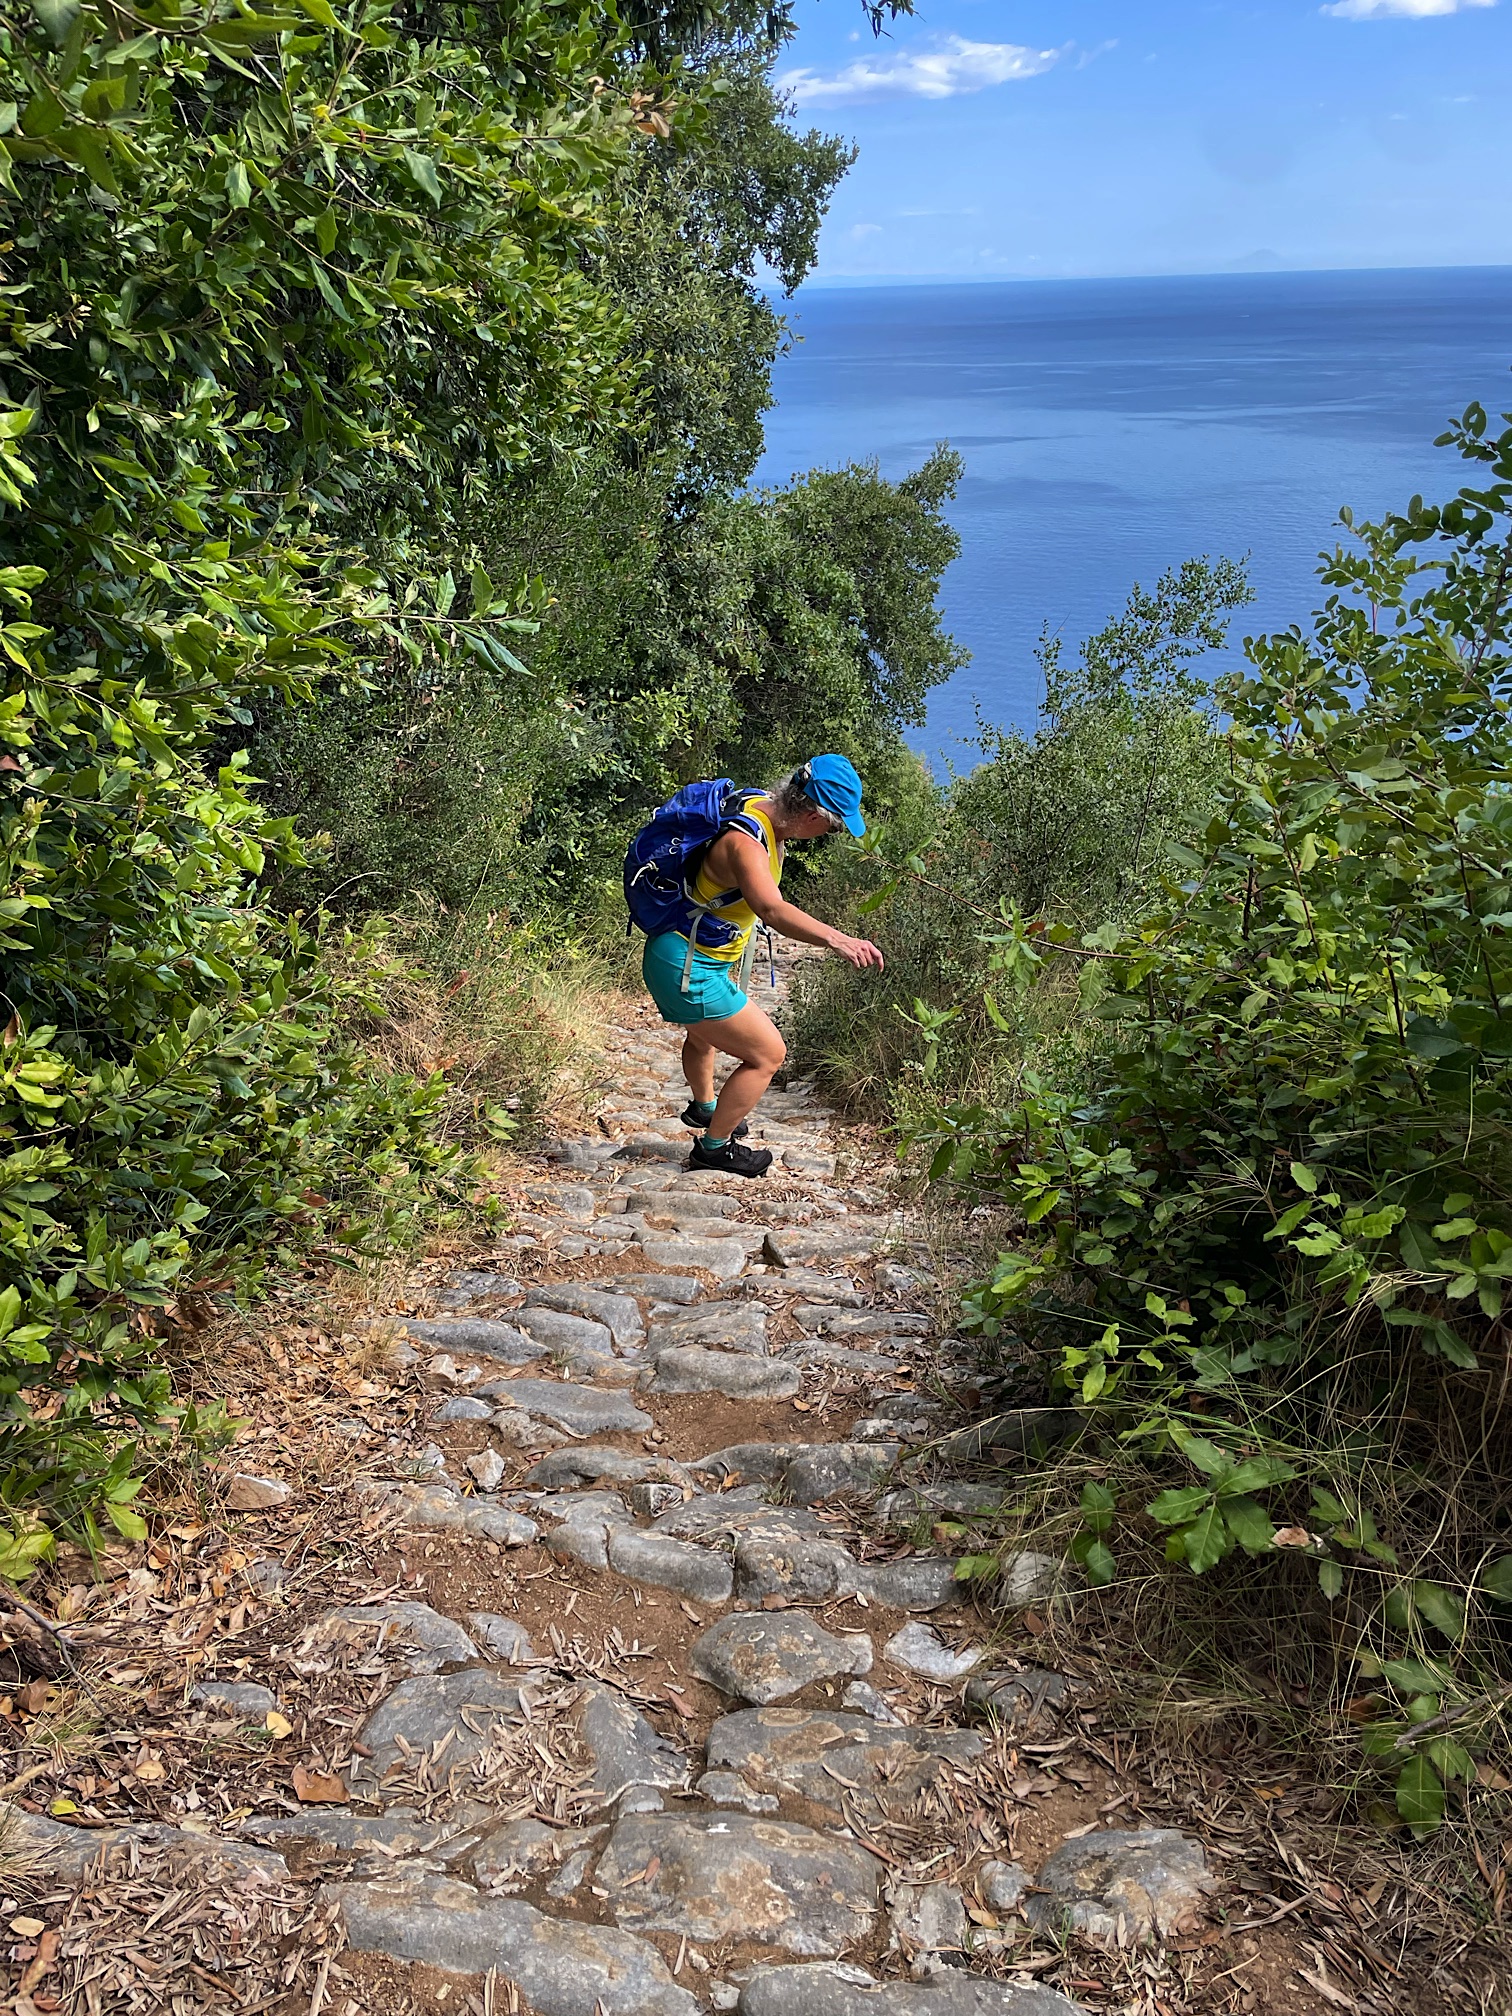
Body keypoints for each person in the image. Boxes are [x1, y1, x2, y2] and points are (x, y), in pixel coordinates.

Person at [638, 755, 885, 1177]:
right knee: (768, 1054)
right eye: (835, 825)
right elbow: (770, 908)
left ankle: (705, 1109)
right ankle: (713, 1149)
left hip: (689, 956)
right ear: (810, 816)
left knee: (704, 1037)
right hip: (686, 968)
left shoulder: (759, 806)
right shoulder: (746, 843)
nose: (832, 832)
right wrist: (838, 939)